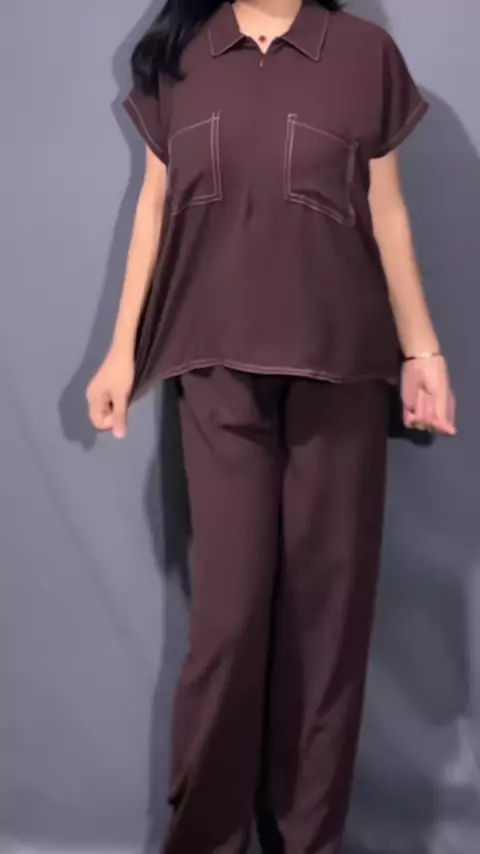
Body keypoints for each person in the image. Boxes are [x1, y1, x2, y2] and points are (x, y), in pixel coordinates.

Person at [86, 1, 456, 851]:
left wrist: (423, 351)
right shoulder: (182, 57)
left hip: (342, 366)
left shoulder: (363, 54)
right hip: (214, 367)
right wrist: (119, 353)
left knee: (328, 624)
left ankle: (307, 838)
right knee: (229, 623)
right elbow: (154, 206)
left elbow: (387, 210)